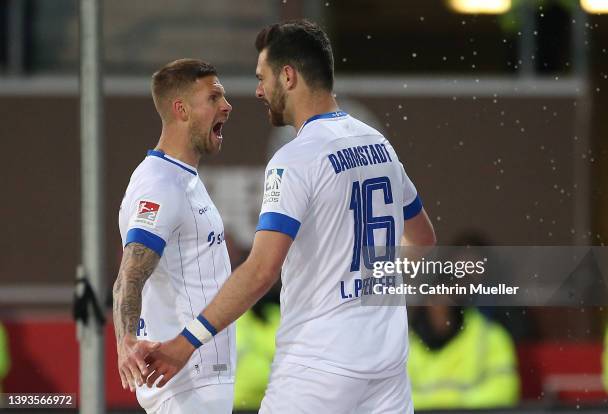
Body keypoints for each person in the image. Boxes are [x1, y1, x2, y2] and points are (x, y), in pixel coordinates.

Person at [142, 20, 436, 413]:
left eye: (262, 78)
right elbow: (423, 237)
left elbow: (262, 270)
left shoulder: (295, 159)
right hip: (387, 365)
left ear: (289, 76)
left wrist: (185, 342)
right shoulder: (377, 143)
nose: (259, 91)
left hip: (318, 368)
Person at [112, 58, 234, 414]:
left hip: (198, 384)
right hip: (186, 388)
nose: (227, 106)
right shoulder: (160, 184)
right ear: (181, 109)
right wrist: (126, 343)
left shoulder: (182, 179)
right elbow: (129, 275)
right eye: (214, 98)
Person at [408, 306, 520, 409]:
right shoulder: (400, 339)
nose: (440, 299)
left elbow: (503, 393)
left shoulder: (490, 335)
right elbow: (393, 399)